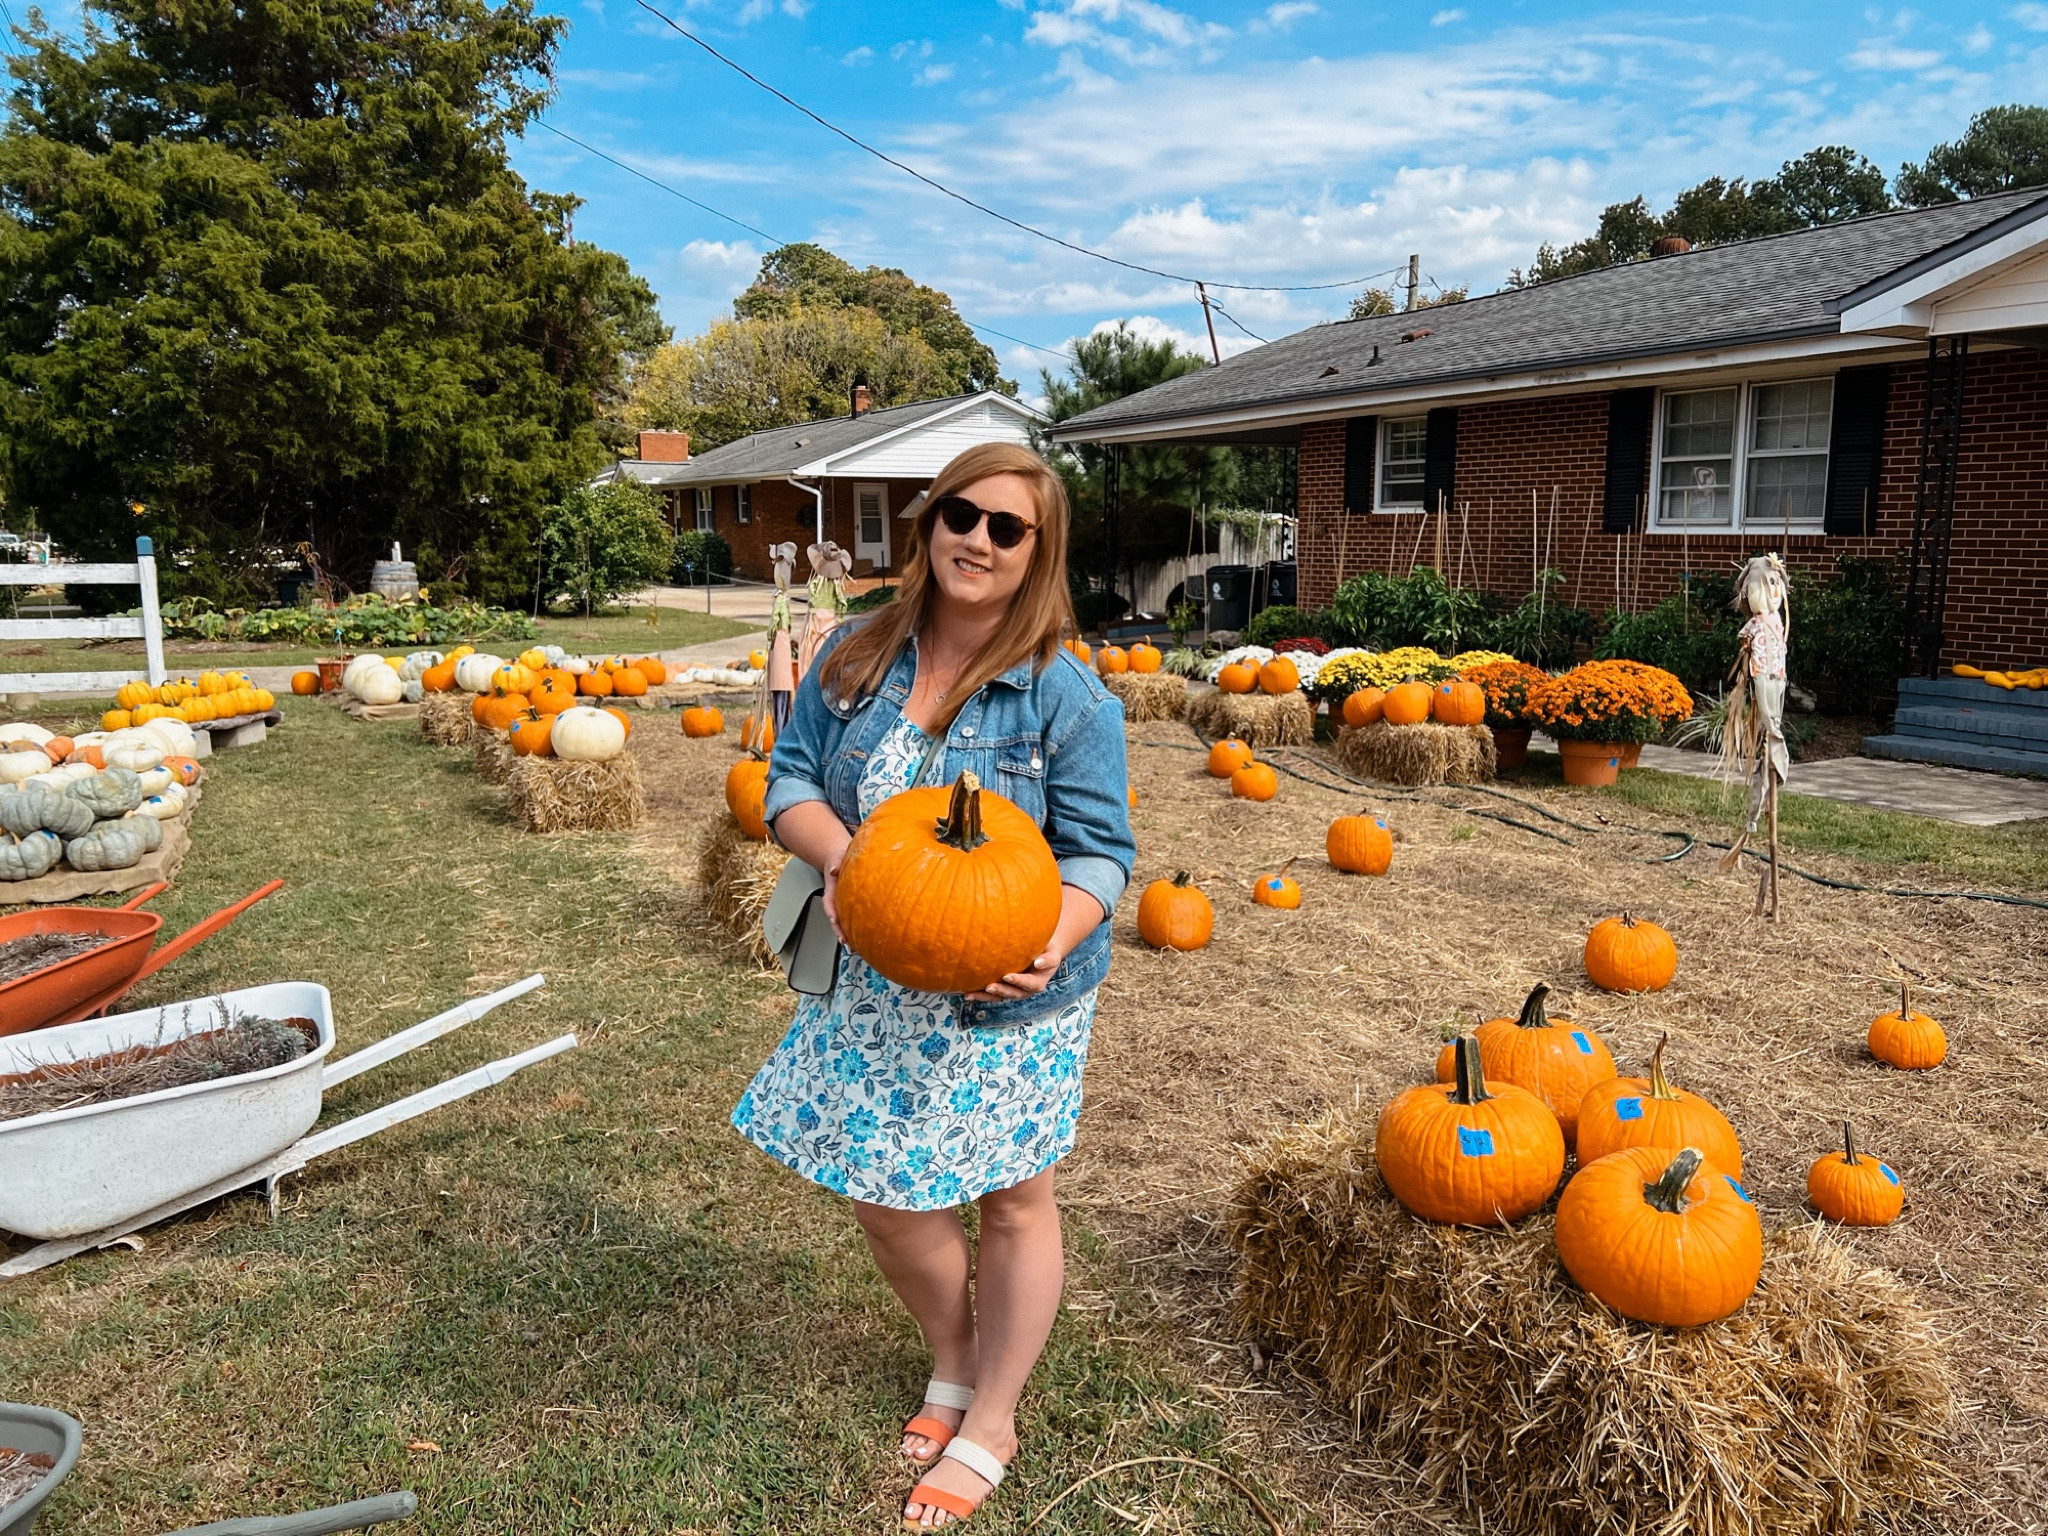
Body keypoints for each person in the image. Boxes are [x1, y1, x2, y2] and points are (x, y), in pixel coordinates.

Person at [731, 442, 1134, 1527]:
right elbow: (791, 780)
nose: (978, 540)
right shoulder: (856, 656)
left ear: (1036, 555)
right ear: (928, 524)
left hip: (1011, 986)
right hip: (871, 976)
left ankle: (990, 1415)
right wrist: (839, 857)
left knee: (1010, 1198)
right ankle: (952, 1357)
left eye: (1008, 528)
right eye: (962, 514)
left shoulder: (1067, 697)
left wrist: (1052, 935)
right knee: (885, 1194)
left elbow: (1102, 851)